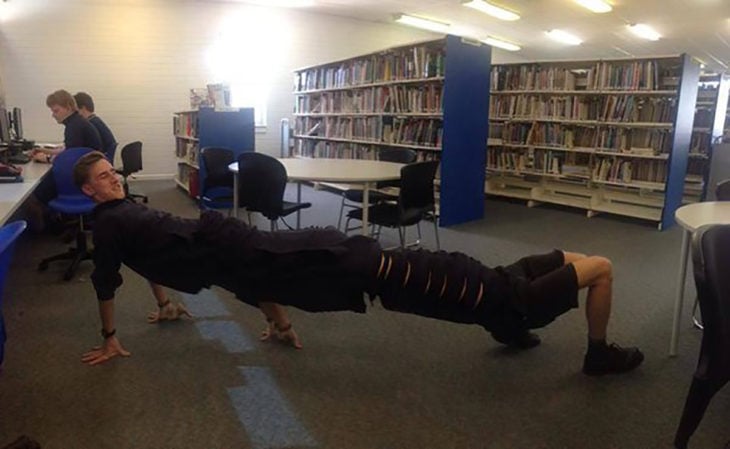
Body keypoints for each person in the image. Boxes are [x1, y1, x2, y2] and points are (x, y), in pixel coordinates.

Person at [74, 151, 644, 376]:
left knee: (512, 283)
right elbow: (136, 257)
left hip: (369, 265)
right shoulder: (187, 240)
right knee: (591, 266)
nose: (113, 178)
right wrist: (119, 324)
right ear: (86, 191)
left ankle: (516, 323)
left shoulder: (203, 249)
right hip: (373, 266)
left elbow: (148, 255)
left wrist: (277, 322)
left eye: (109, 172)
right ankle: (583, 347)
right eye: (100, 177)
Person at [25, 90, 103, 232]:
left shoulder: (74, 127)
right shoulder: (77, 123)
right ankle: (57, 222)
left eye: (56, 110)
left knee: (34, 194)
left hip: (80, 178)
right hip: (88, 173)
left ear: (68, 107)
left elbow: (70, 158)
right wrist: (45, 151)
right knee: (44, 183)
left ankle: (50, 229)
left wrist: (47, 158)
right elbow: (70, 151)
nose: (53, 115)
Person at [73, 92, 118, 161]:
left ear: (82, 108)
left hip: (99, 160)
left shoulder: (89, 125)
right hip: (106, 158)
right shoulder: (96, 120)